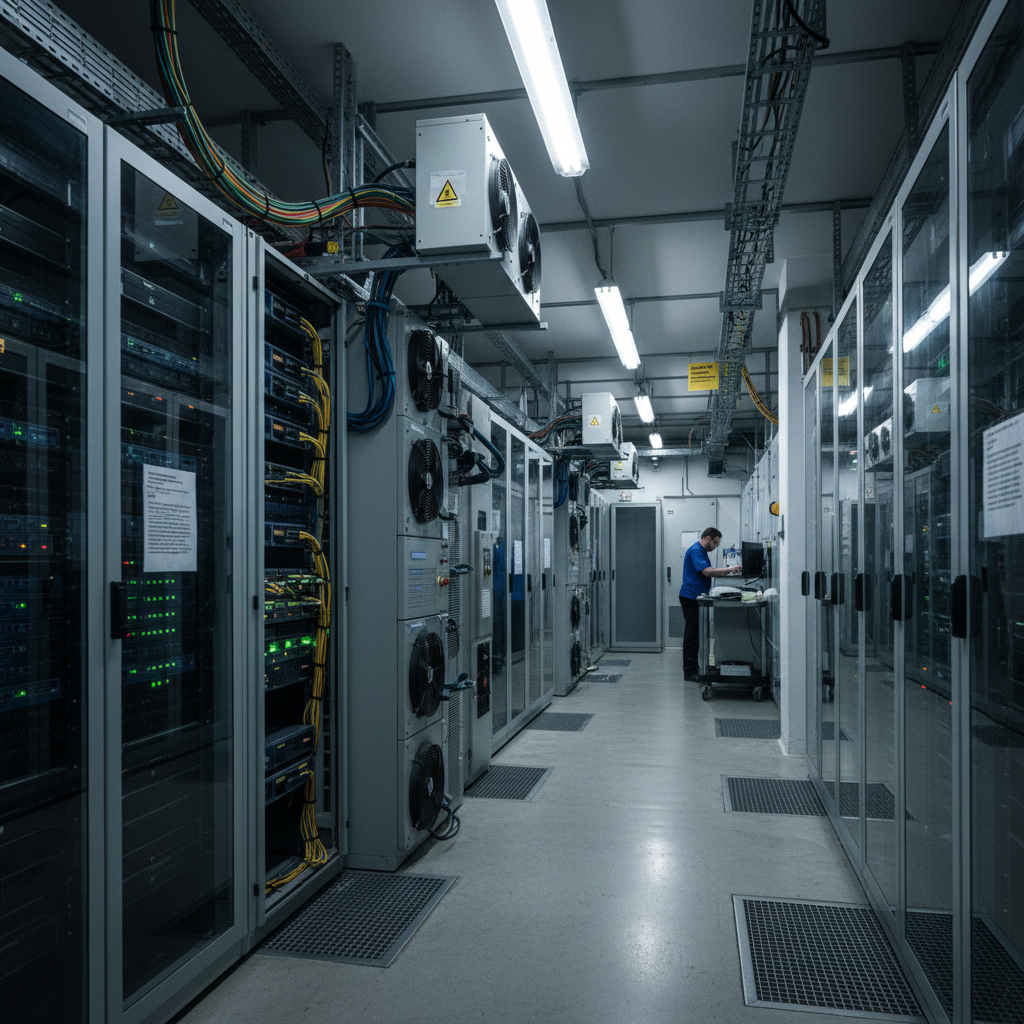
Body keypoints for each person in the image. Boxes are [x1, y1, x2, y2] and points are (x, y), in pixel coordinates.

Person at [679, 527, 741, 681]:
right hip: (690, 597)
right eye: (715, 543)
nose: (715, 547)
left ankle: (695, 667)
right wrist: (729, 569)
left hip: (696, 596)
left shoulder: (701, 551)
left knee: (695, 634)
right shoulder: (696, 551)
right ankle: (690, 671)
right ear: (707, 538)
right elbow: (706, 571)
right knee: (692, 635)